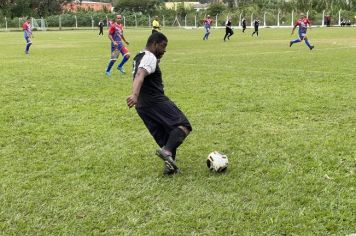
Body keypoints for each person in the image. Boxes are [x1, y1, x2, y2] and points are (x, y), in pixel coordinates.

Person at [127, 32, 192, 175]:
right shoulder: (149, 57)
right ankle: (167, 151)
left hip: (142, 107)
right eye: (162, 46)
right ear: (154, 44)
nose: (164, 50)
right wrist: (134, 95)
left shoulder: (140, 55)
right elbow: (140, 75)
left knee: (166, 137)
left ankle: (169, 168)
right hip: (154, 101)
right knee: (183, 125)